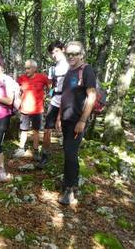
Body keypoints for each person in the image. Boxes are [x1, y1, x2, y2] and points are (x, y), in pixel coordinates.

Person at [56, 41, 97, 205]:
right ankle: (71, 182)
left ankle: (70, 190)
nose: (71, 57)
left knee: (70, 153)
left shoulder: (86, 70)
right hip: (66, 119)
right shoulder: (69, 71)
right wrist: (59, 117)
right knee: (68, 151)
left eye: (75, 54)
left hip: (77, 120)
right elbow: (64, 96)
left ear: (82, 54)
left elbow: (92, 96)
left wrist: (82, 120)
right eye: (69, 54)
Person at [37, 40, 69, 169]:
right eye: (52, 53)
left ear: (63, 49)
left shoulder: (70, 66)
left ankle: (69, 157)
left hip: (68, 101)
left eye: (56, 51)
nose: (54, 54)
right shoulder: (53, 68)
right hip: (55, 100)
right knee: (47, 129)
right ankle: (44, 156)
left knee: (66, 129)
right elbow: (51, 86)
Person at [13, 59, 50, 161]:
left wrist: (46, 96)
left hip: (37, 110)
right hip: (24, 109)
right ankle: (21, 148)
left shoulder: (42, 77)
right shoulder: (22, 78)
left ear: (34, 68)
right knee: (24, 130)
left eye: (28, 68)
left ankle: (35, 151)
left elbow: (50, 87)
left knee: (36, 131)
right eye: (25, 68)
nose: (26, 70)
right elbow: (16, 90)